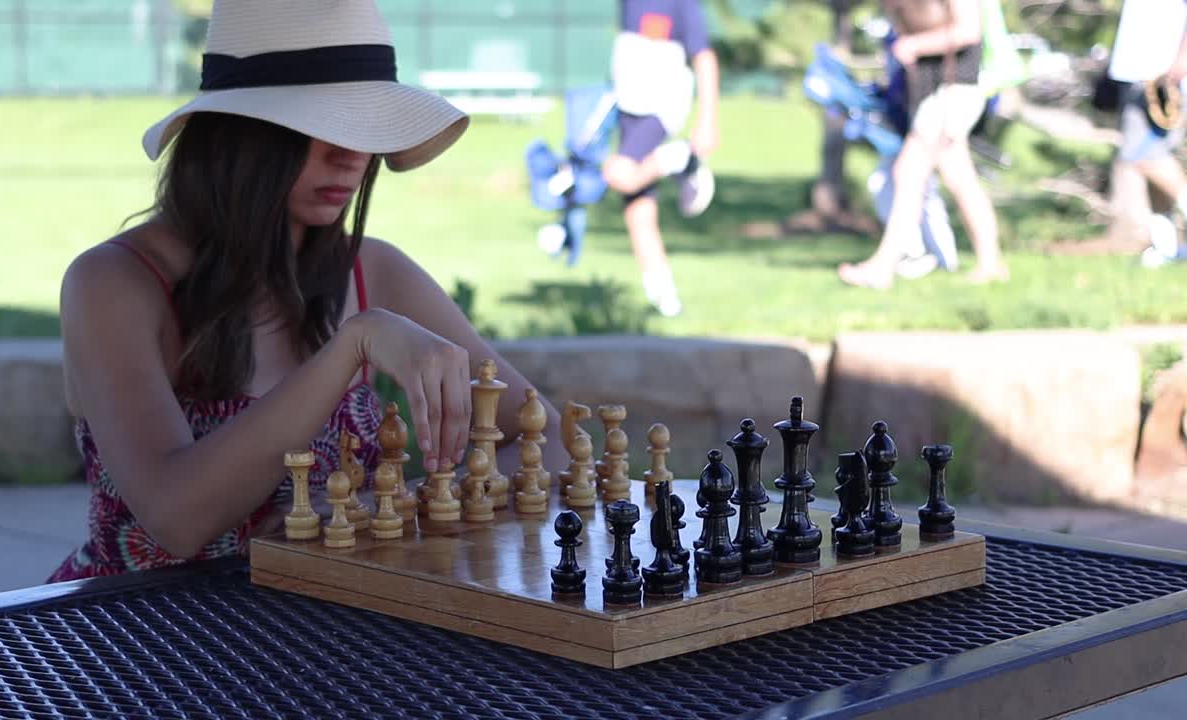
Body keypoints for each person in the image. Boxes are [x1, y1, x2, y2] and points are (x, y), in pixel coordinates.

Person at [47, 0, 566, 581]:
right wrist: (354, 344)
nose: (350, 156)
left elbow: (545, 440)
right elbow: (176, 518)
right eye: (320, 127)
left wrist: (383, 506)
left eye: (365, 128)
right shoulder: (115, 283)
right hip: (141, 645)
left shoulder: (374, 271)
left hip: (330, 634)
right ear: (238, 134)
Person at [838, 0, 1005, 290]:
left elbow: (969, 30)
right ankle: (991, 264)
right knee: (960, 180)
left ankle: (883, 266)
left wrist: (914, 45)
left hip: (953, 91)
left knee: (908, 172)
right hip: (935, 93)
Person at [602, 0, 720, 317]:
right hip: (629, 103)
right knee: (638, 208)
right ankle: (664, 297)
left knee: (620, 174)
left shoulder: (682, 4)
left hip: (660, 105)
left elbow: (704, 57)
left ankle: (682, 158)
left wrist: (708, 119)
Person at [1106, 0, 1187, 267]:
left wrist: (1180, 61)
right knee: (1146, 161)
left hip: (1163, 78)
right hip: (1139, 75)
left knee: (1145, 158)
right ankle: (1167, 246)